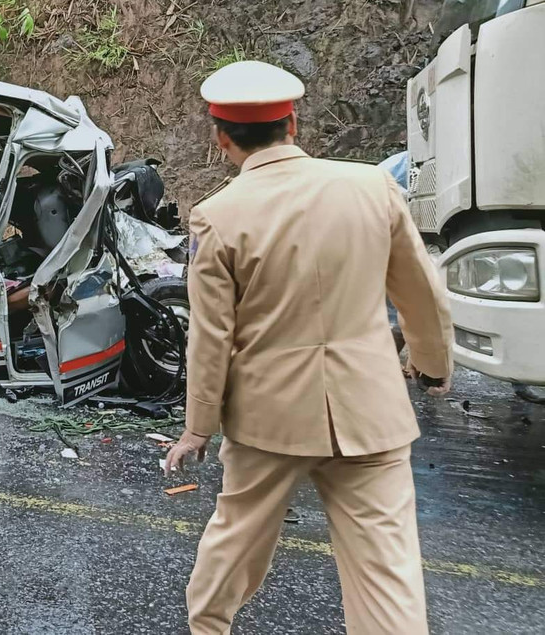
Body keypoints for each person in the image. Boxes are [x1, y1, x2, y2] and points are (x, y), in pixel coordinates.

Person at [163, 60, 454, 634]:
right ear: (293, 124)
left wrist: (198, 426)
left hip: (268, 421)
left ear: (221, 139)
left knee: (235, 543)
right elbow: (422, 294)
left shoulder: (217, 217)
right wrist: (431, 364)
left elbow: (211, 336)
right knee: (386, 574)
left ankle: (208, 628)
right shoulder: (373, 187)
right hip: (371, 413)